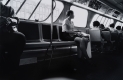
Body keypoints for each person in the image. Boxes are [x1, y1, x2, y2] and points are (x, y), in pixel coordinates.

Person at [0, 1, 25, 76]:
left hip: (6, 34)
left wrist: (9, 19)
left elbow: (16, 20)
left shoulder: (9, 9)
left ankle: (13, 69)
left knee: (20, 37)